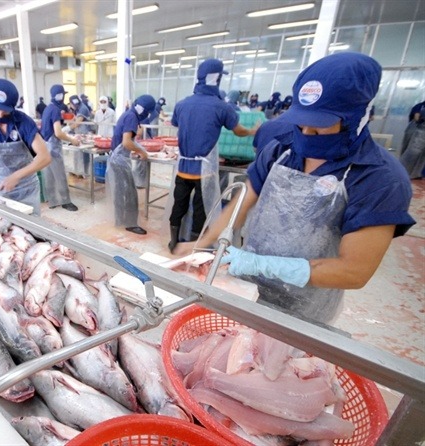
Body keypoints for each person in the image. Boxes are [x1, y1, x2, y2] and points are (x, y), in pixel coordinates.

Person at [173, 52, 415, 325]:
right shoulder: (282, 149)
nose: (307, 132)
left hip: (304, 309)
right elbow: (242, 202)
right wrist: (202, 244)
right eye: (301, 122)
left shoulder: (378, 177)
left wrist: (261, 264)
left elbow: (354, 271)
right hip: (244, 290)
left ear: (359, 116)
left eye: (321, 126)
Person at [167, 59, 257, 253]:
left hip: (182, 167)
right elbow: (238, 131)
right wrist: (252, 131)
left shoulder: (182, 104)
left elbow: (176, 125)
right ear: (216, 79)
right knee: (200, 210)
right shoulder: (221, 107)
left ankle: (173, 242)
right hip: (204, 171)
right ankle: (193, 247)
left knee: (179, 205)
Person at [0, 79, 51, 214]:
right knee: (5, 225)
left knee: (32, 226)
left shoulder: (24, 122)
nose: (0, 114)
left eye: (5, 110)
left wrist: (16, 176)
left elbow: (45, 157)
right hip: (2, 185)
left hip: (27, 186)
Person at [107, 94, 156, 235]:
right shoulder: (132, 117)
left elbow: (128, 140)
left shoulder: (129, 114)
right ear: (145, 110)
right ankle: (130, 224)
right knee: (130, 193)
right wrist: (142, 152)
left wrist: (136, 147)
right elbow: (126, 142)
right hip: (119, 159)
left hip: (117, 157)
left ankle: (119, 220)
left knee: (120, 191)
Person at [40, 84, 80, 212]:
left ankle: (52, 201)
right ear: (60, 96)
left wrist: (66, 130)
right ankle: (65, 201)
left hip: (45, 145)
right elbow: (58, 133)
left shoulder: (47, 108)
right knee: (60, 175)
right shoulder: (56, 110)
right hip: (53, 147)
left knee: (49, 175)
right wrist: (72, 140)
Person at [68, 95, 93, 177]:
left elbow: (78, 122)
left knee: (84, 154)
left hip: (85, 134)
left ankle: (85, 172)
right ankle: (77, 171)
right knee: (77, 153)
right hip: (79, 133)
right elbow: (74, 119)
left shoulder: (82, 108)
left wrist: (67, 128)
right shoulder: (78, 108)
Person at [400, 100, 425, 179]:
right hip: (419, 131)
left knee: (421, 155)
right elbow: (416, 118)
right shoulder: (420, 106)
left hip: (419, 131)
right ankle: (401, 172)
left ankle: (415, 174)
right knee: (413, 152)